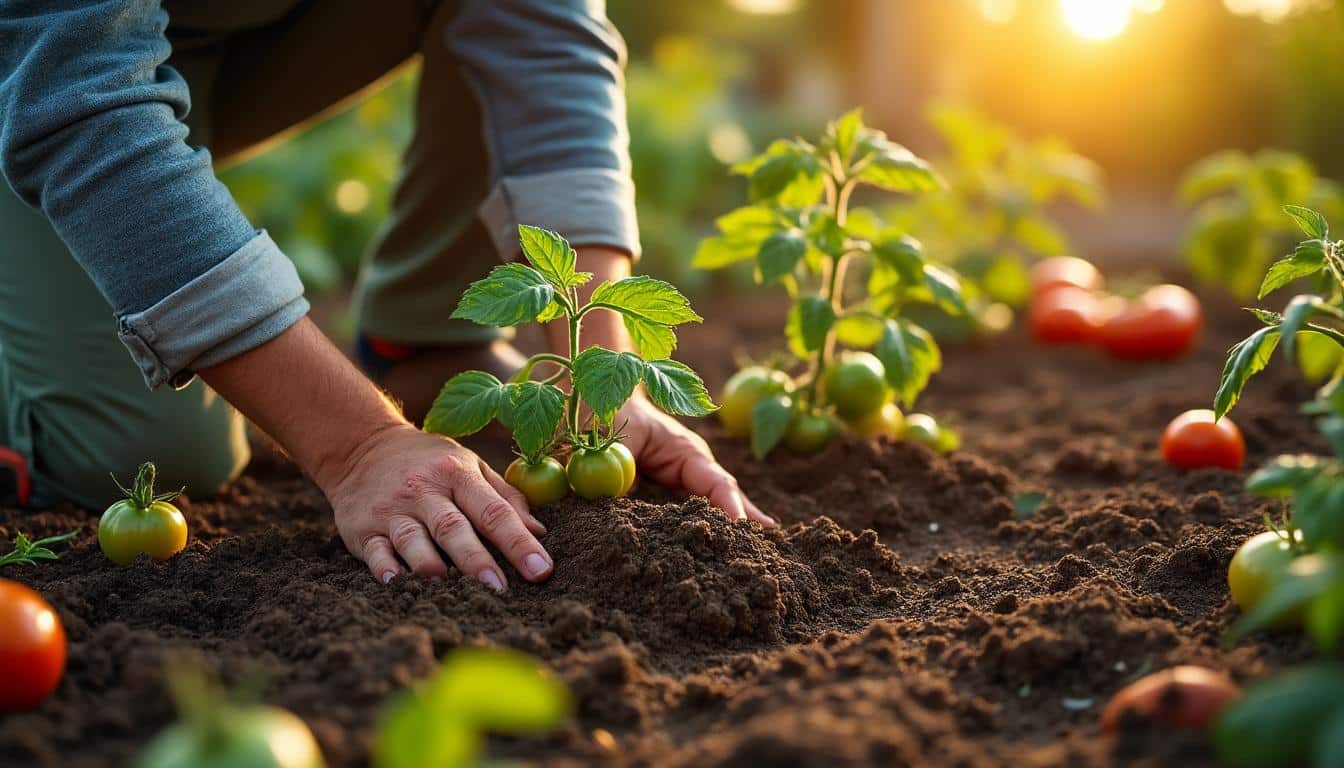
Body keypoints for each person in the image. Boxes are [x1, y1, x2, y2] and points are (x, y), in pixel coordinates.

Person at [0, 0, 771, 591]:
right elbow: (75, 92)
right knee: (138, 455)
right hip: (33, 65)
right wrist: (356, 444)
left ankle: (423, 338)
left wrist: (598, 368)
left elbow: (547, 28)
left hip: (195, 34)